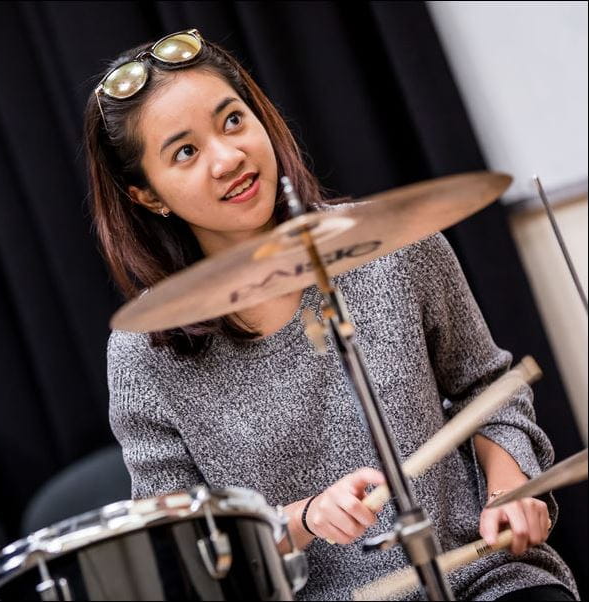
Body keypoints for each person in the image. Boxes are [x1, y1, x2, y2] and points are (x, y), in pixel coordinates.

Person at [85, 29, 579, 601]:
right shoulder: (145, 351)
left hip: (481, 578)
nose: (228, 157)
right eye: (186, 152)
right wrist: (304, 518)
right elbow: (186, 548)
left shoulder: (395, 241)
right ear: (148, 195)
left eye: (233, 121)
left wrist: (510, 489)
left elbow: (488, 387)